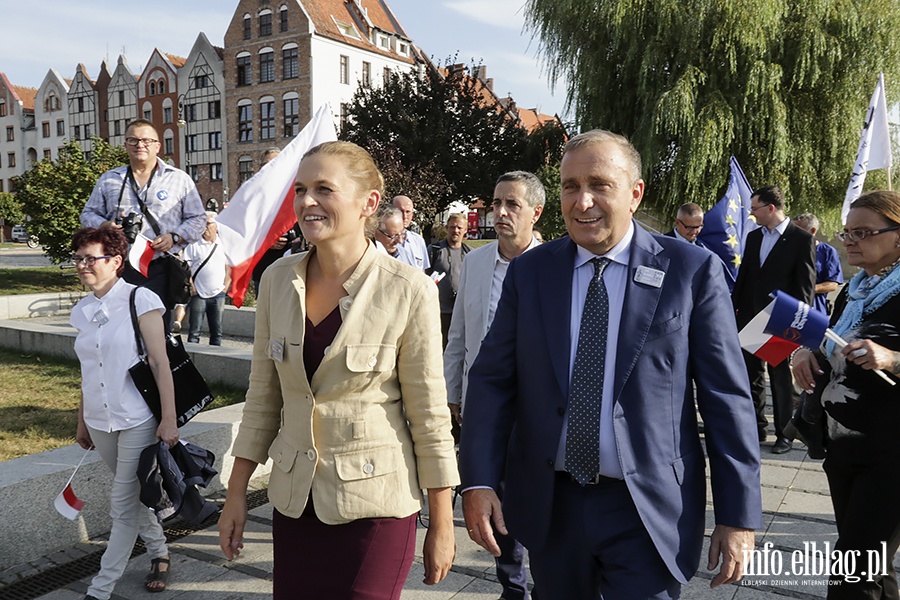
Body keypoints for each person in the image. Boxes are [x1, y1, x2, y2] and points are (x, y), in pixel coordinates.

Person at [459, 129, 762, 599]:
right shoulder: (532, 272)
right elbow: (493, 382)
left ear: (635, 194)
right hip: (552, 506)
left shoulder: (690, 271)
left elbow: (726, 398)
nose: (582, 202)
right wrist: (477, 480)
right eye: (570, 186)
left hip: (647, 509)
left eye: (599, 185)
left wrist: (738, 515)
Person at [217, 141, 459, 599]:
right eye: (301, 189)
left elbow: (429, 416)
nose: (307, 202)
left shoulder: (407, 289)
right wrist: (235, 494)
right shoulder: (276, 282)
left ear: (369, 203)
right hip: (295, 503)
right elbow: (264, 398)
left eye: (324, 189)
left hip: (376, 507)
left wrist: (442, 522)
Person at [791, 190, 900, 598]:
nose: (849, 240)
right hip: (843, 450)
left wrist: (892, 357)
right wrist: (805, 352)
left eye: (863, 232)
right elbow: (831, 341)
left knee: (852, 571)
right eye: (847, 231)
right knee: (873, 567)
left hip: (890, 456)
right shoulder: (855, 291)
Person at [444, 170, 545, 600]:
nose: (500, 213)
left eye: (512, 205)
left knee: (539, 499)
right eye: (495, 203)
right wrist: (451, 393)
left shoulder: (556, 262)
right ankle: (513, 584)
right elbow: (460, 336)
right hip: (485, 405)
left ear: (535, 213)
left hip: (539, 408)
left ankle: (551, 579)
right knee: (490, 492)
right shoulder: (477, 260)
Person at [69, 226, 178, 600]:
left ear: (115, 261)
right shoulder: (81, 310)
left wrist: (168, 419)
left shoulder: (140, 299)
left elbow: (161, 364)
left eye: (91, 258)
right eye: (79, 258)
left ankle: (100, 589)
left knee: (121, 504)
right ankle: (160, 552)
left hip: (136, 419)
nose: (83, 265)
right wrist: (82, 420)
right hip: (100, 422)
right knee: (132, 495)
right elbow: (87, 371)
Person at [81, 119, 207, 316]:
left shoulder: (179, 179)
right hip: (119, 267)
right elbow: (87, 214)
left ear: (158, 146)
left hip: (160, 265)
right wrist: (104, 225)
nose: (140, 145)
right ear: (125, 145)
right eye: (133, 140)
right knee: (119, 324)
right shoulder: (110, 179)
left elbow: (198, 219)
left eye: (146, 141)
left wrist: (174, 236)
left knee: (156, 327)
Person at [732, 186, 816, 454]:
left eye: (755, 208)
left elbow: (806, 287)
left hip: (781, 318)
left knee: (778, 379)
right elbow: (745, 276)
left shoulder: (801, 239)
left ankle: (784, 434)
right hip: (749, 315)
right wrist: (733, 309)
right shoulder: (755, 236)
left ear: (770, 208)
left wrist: (798, 324)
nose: (751, 214)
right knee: (751, 375)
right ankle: (755, 427)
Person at [251, 147, 303, 295]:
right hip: (264, 270)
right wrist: (268, 242)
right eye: (267, 164)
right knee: (266, 316)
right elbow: (246, 235)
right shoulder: (254, 197)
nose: (272, 167)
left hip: (295, 270)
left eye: (276, 163)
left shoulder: (297, 192)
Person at [183, 211, 231, 346]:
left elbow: (229, 268)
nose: (205, 227)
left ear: (216, 226)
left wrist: (225, 286)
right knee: (194, 331)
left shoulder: (223, 244)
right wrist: (192, 287)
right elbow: (185, 268)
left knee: (217, 332)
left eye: (208, 224)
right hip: (199, 294)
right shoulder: (194, 244)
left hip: (218, 294)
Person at [427, 212, 472, 348]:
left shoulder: (471, 254)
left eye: (459, 228)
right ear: (447, 228)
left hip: (461, 312)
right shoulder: (434, 250)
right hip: (439, 312)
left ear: (465, 230)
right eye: (452, 227)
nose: (455, 231)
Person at [794, 212, 844, 315]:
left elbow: (833, 284)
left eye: (798, 231)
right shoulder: (787, 250)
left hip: (814, 310)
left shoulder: (828, 252)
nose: (794, 235)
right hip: (788, 307)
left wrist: (808, 289)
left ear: (813, 231)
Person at [392, 195, 430, 269]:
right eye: (400, 211)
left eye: (408, 212)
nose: (405, 216)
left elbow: (422, 271)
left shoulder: (418, 241)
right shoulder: (383, 240)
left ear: (412, 214)